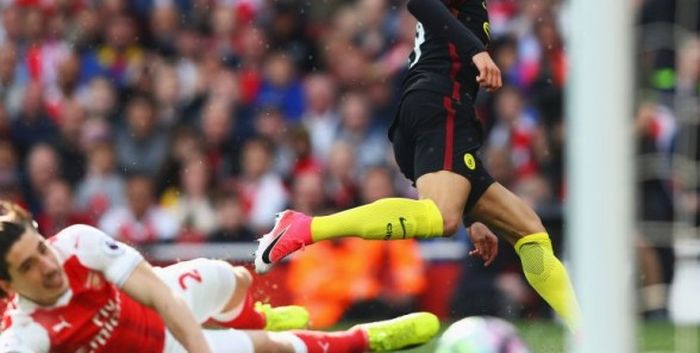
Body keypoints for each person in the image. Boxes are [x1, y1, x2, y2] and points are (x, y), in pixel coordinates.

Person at [255, 0, 580, 332]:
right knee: (440, 217)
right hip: (436, 104)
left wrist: (472, 212)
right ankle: (305, 227)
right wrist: (477, 52)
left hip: (432, 115)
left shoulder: (472, 3)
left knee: (529, 231)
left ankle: (588, 330)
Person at [0, 201, 439, 353]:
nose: (47, 266)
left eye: (40, 249)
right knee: (275, 350)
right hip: (160, 348)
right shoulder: (22, 335)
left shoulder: (76, 242)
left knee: (236, 279)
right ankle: (369, 339)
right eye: (27, 267)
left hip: (165, 301)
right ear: (7, 286)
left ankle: (258, 317)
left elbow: (155, 291)